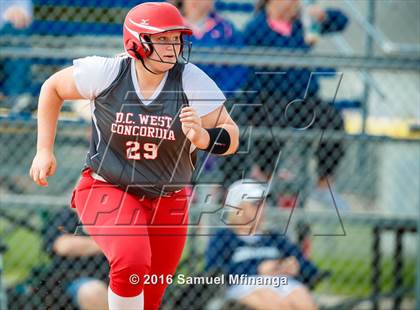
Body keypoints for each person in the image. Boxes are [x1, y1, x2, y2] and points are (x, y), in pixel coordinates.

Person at [29, 2, 239, 310]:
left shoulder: (190, 79)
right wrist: (43, 150)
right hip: (107, 186)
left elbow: (231, 136)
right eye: (163, 39)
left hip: (168, 198)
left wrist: (204, 137)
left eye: (176, 39)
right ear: (136, 42)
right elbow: (52, 88)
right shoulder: (108, 71)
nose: (173, 47)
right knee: (131, 261)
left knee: (150, 296)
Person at [242, 0, 348, 203]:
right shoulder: (256, 28)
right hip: (270, 98)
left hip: (304, 99)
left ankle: (324, 184)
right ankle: (264, 176)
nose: (293, 3)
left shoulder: (303, 23)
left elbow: (342, 22)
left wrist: (322, 15)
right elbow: (248, 73)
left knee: (334, 119)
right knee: (271, 119)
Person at [205, 179, 318, 310]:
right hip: (244, 286)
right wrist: (257, 270)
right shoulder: (223, 238)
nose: (262, 208)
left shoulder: (274, 237)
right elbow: (214, 274)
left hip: (282, 282)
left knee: (302, 298)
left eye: (263, 203)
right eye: (255, 204)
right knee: (272, 300)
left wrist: (297, 267)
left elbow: (311, 269)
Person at [42, 207, 109, 309]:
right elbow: (63, 246)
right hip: (74, 279)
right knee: (93, 292)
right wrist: (109, 243)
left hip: (115, 276)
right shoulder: (66, 216)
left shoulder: (113, 216)